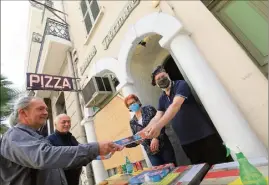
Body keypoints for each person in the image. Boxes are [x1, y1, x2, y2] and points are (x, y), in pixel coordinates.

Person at [0, 96, 123, 185]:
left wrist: (98, 152)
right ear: (23, 113)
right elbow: (45, 157)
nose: (45, 113)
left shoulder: (37, 137)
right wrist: (95, 148)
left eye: (46, 110)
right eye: (40, 109)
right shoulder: (14, 136)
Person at [143, 65, 233, 165]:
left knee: (220, 165)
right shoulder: (162, 98)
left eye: (163, 76)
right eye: (158, 79)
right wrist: (142, 132)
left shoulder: (180, 85)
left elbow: (175, 105)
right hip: (186, 142)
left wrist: (159, 126)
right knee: (202, 171)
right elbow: (157, 117)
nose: (161, 79)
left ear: (168, 75)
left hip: (204, 135)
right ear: (156, 83)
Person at [124, 94, 176, 166]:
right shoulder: (132, 122)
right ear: (128, 107)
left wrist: (156, 138)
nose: (132, 105)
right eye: (130, 104)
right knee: (160, 174)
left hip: (163, 145)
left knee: (173, 170)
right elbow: (137, 138)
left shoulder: (149, 109)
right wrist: (124, 144)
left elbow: (160, 122)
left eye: (133, 102)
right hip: (151, 153)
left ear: (138, 101)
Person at [47, 114, 82, 185]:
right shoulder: (50, 140)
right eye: (64, 122)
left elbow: (81, 151)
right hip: (61, 179)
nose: (67, 124)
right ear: (55, 124)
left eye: (69, 122)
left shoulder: (71, 138)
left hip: (75, 177)